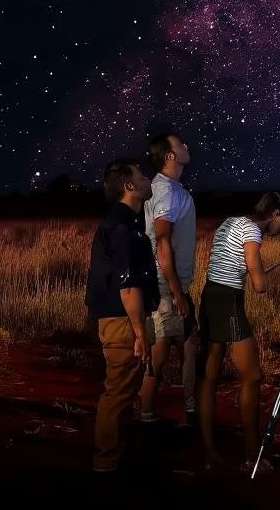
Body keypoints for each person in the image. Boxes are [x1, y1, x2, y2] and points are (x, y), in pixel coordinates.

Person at [197, 191, 280, 470]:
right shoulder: (253, 229)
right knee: (253, 376)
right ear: (275, 213)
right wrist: (263, 276)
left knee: (208, 377)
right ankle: (252, 456)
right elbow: (259, 284)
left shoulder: (232, 221)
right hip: (228, 301)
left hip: (210, 297)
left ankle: (209, 454)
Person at [84, 158, 160, 473]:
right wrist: (140, 333)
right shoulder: (121, 228)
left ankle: (115, 456)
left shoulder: (125, 223)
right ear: (129, 187)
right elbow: (127, 285)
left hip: (123, 319)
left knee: (125, 389)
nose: (148, 179)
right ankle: (106, 463)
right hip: (122, 321)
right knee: (117, 392)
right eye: (142, 177)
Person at [139, 132, 199, 426]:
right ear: (170, 156)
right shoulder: (168, 192)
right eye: (181, 144)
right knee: (162, 350)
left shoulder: (166, 188)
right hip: (167, 286)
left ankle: (187, 409)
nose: (187, 146)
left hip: (168, 284)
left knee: (186, 343)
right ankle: (148, 415)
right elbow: (161, 240)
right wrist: (175, 291)